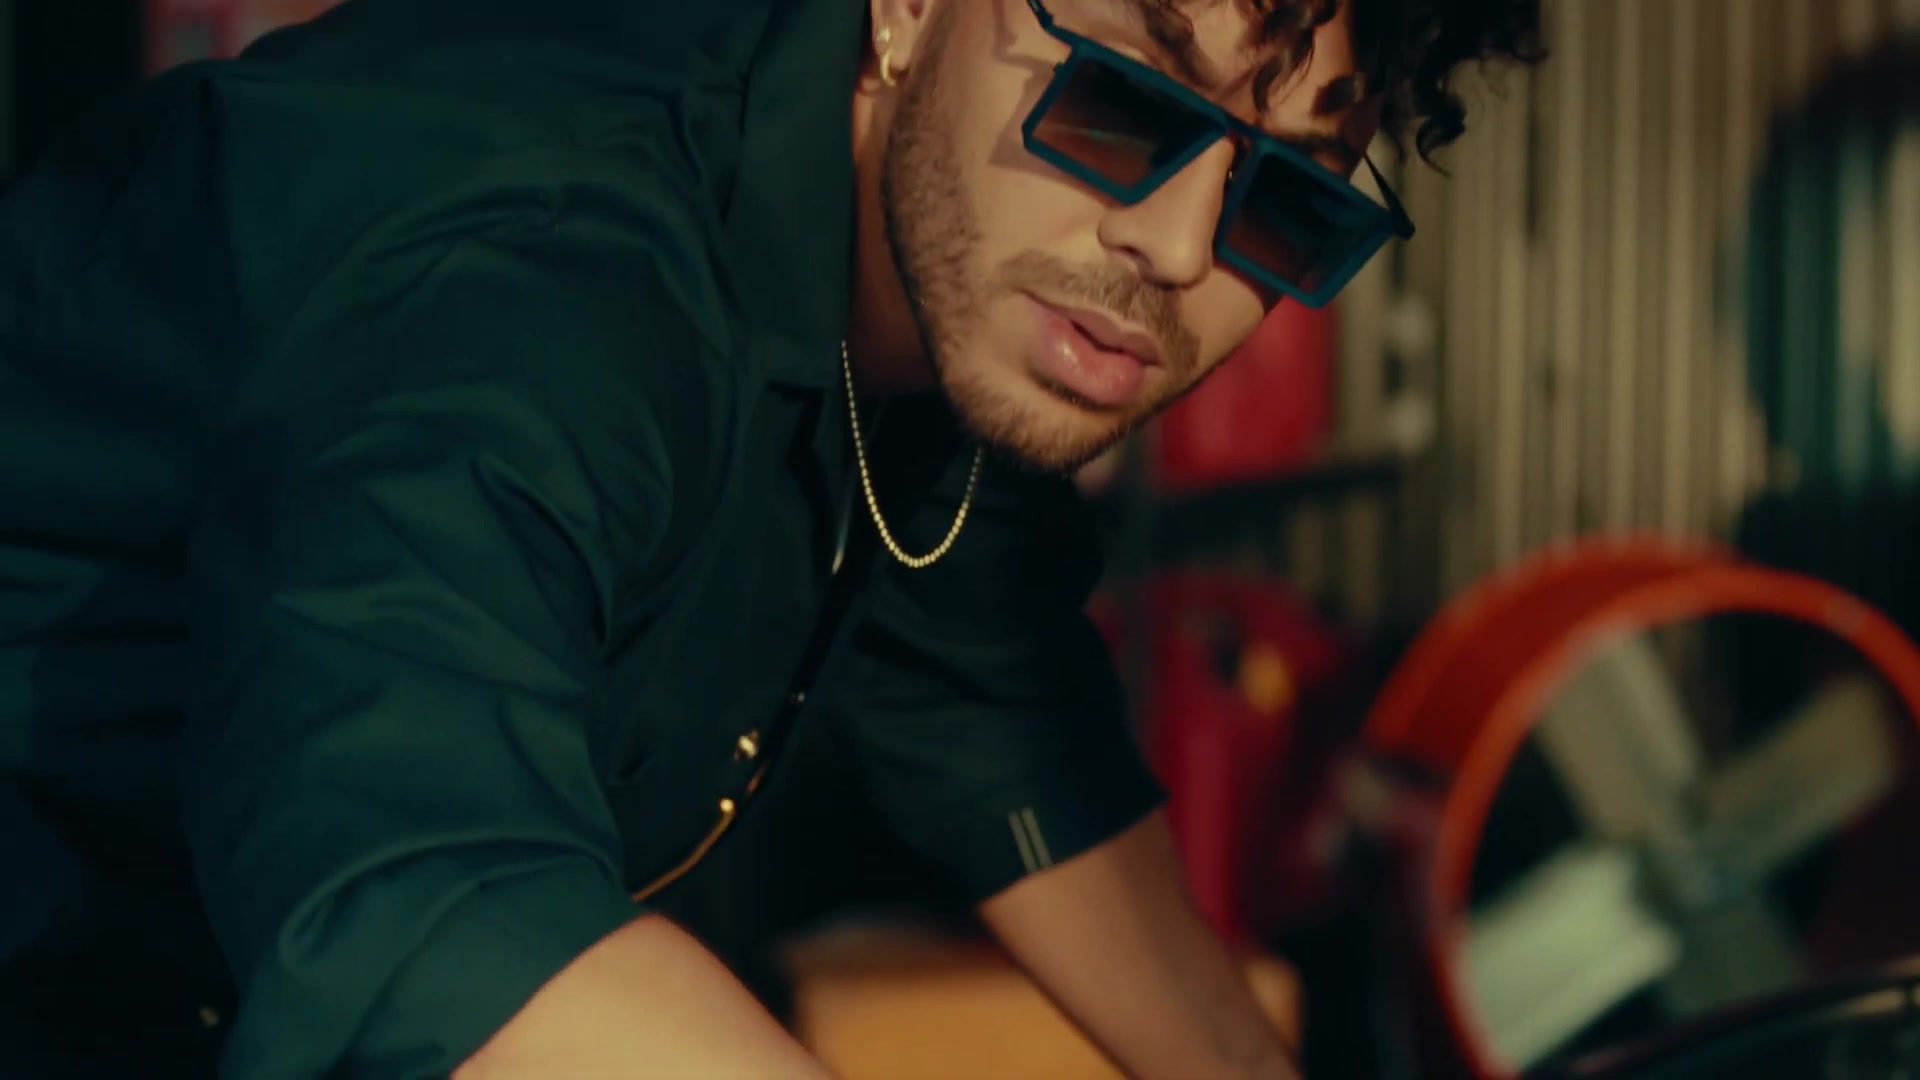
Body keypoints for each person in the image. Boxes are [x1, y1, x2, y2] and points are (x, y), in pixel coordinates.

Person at [0, 0, 1543, 1075]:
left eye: (1287, 203)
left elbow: (995, 700)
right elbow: (432, 904)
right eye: (1123, 103)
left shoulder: (958, 288)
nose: (1180, 249)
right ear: (908, 9)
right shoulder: (554, 266)